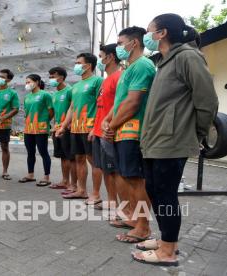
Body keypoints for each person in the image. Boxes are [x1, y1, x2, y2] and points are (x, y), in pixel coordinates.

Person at [132, 14, 218, 266]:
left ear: (162, 33)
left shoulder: (188, 56)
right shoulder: (165, 62)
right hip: (155, 140)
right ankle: (166, 240)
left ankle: (168, 252)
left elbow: (208, 100)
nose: (146, 36)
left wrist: (198, 134)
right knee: (154, 191)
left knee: (165, 194)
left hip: (172, 141)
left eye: (150, 31)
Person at [101, 26, 156, 243]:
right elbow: (122, 100)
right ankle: (134, 219)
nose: (118, 47)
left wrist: (112, 125)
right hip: (122, 131)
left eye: (121, 43)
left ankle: (143, 227)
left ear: (134, 43)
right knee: (128, 177)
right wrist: (108, 119)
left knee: (136, 180)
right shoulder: (129, 68)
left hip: (133, 131)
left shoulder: (142, 65)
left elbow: (133, 103)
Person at [56, 53, 103, 202]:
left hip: (89, 129)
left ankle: (96, 194)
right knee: (79, 159)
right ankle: (82, 190)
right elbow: (71, 107)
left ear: (88, 65)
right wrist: (63, 126)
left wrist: (96, 127)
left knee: (93, 161)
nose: (75, 65)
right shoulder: (75, 86)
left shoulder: (97, 81)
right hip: (75, 129)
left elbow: (101, 105)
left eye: (78, 62)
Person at [89, 44, 122, 217]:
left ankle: (120, 206)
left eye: (101, 56)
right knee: (105, 169)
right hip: (98, 132)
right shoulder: (105, 80)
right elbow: (100, 107)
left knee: (114, 170)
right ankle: (111, 201)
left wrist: (111, 125)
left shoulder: (119, 77)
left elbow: (120, 105)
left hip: (110, 132)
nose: (100, 60)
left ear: (109, 57)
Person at [18, 74, 54, 186]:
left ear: (37, 82)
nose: (27, 84)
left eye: (29, 82)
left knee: (43, 152)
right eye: (26, 82)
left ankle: (46, 177)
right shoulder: (27, 97)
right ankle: (30, 175)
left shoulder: (45, 95)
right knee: (30, 152)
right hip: (29, 128)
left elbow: (51, 111)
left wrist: (45, 121)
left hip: (41, 129)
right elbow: (27, 113)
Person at [48, 67, 78, 194]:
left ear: (62, 77)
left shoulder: (70, 91)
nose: (51, 79)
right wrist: (53, 127)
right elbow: (55, 112)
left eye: (53, 76)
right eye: (50, 77)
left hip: (67, 129)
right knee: (62, 156)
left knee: (71, 157)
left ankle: (74, 184)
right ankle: (65, 181)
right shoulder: (54, 94)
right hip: (57, 129)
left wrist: (68, 124)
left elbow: (75, 108)